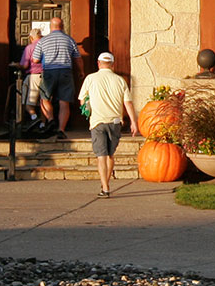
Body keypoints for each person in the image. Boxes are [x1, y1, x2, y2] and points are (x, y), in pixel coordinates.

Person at [78, 52, 139, 198]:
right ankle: (107, 181)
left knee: (101, 156)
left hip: (97, 121)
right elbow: (128, 103)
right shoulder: (120, 80)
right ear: (112, 64)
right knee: (110, 155)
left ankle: (105, 187)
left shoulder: (90, 78)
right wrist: (134, 122)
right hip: (115, 122)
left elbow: (82, 100)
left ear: (98, 63)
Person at [31, 16, 82, 139]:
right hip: (65, 71)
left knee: (44, 98)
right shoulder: (69, 40)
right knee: (64, 102)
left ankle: (50, 118)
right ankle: (61, 129)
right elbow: (78, 58)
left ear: (50, 27)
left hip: (49, 72)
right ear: (62, 26)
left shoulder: (43, 41)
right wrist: (81, 71)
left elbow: (35, 59)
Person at [18, 28, 43, 130]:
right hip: (46, 76)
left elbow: (24, 65)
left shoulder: (30, 47)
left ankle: (34, 118)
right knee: (44, 102)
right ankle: (43, 124)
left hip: (34, 76)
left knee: (28, 103)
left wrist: (16, 64)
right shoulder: (45, 46)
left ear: (31, 37)